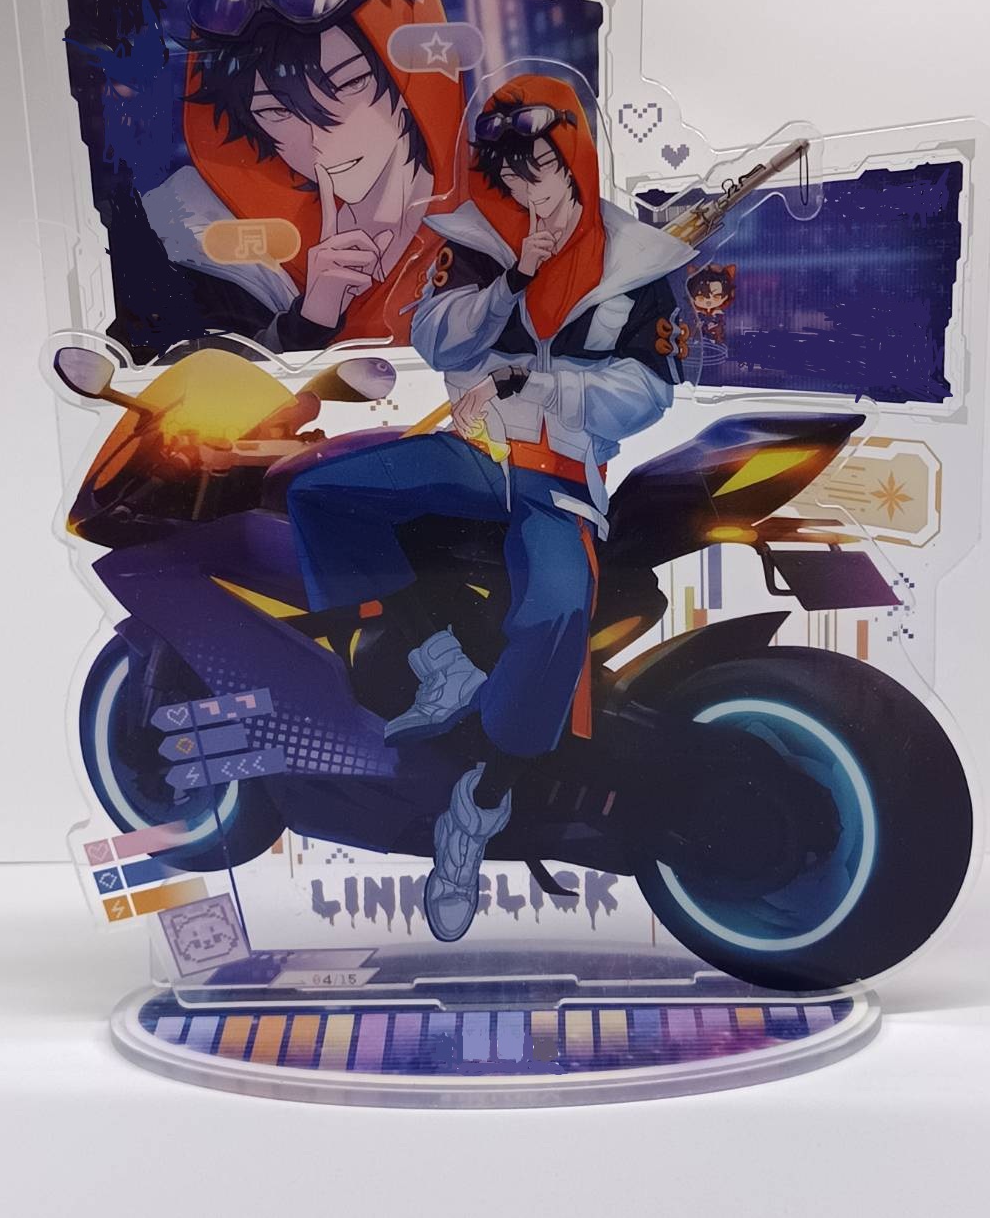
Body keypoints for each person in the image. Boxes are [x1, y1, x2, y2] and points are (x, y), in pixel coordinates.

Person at [287, 74, 692, 941]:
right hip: (472, 457)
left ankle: (481, 804)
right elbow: (436, 335)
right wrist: (515, 277)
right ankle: (440, 658)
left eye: (536, 167)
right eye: (507, 172)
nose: (521, 188)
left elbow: (651, 391)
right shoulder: (473, 240)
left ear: (573, 157)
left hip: (557, 476)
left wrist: (540, 384)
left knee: (558, 614)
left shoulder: (639, 263)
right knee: (319, 494)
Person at [141, 0, 464, 352]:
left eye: (349, 83)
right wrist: (310, 320)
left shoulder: (487, 213)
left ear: (407, 80)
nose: (319, 139)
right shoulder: (199, 232)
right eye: (274, 111)